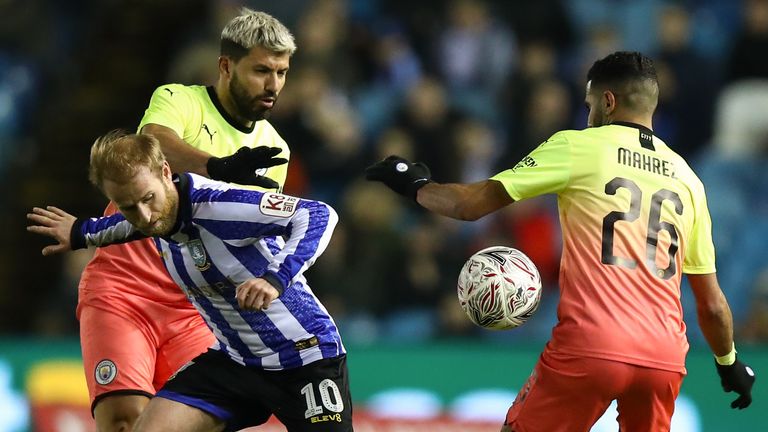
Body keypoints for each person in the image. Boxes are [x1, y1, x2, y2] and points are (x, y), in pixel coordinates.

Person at [366, 51, 756, 431]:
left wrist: (415, 184)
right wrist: (729, 362)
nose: (587, 116)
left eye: (589, 105)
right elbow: (713, 304)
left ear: (607, 101)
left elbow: (469, 206)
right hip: (664, 358)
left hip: (592, 345)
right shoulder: (689, 180)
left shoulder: (579, 146)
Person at [28, 131, 352, 431]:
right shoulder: (157, 215)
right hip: (235, 363)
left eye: (147, 198)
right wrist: (80, 232)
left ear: (166, 172)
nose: (143, 215)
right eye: (128, 206)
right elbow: (130, 225)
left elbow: (319, 215)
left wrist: (275, 279)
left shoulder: (219, 208)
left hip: (304, 357)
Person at [75, 8, 296, 431]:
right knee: (125, 421)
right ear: (226, 66)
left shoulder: (275, 150)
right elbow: (154, 144)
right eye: (261, 70)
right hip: (126, 289)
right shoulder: (179, 100)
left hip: (196, 307)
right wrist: (220, 167)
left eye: (282, 72)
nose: (273, 85)